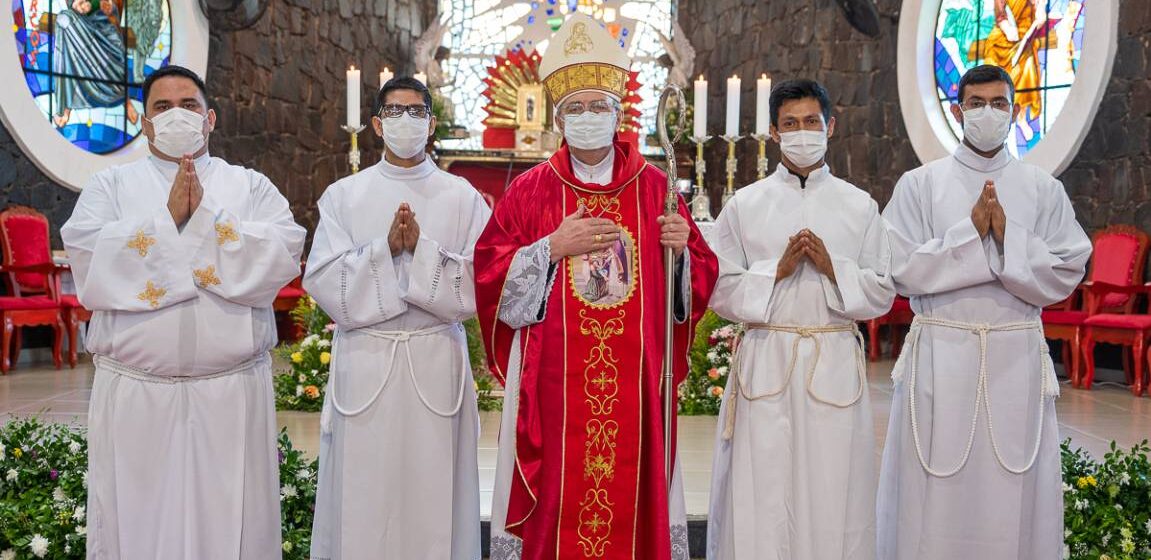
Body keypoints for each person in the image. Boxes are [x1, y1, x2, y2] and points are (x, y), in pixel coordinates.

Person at [475, 14, 718, 560]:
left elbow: (699, 276)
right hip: (553, 384)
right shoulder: (531, 192)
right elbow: (490, 272)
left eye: (598, 106)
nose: (588, 117)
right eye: (576, 108)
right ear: (559, 118)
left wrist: (681, 251)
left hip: (635, 382)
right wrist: (550, 249)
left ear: (618, 112)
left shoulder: (657, 188)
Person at [61, 65, 305, 559]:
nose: (177, 116)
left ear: (210, 118)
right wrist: (167, 221)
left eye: (189, 105)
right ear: (145, 124)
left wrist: (204, 224)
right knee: (137, 527)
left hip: (230, 395)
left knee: (232, 528)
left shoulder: (249, 187)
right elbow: (88, 260)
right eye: (162, 107)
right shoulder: (110, 187)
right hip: (137, 394)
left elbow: (282, 252)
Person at [876, 64, 1091, 560]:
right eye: (977, 103)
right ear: (958, 109)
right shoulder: (919, 185)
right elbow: (899, 267)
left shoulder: (1042, 189)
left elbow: (1068, 267)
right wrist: (969, 235)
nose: (988, 113)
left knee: (1011, 479)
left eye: (999, 103)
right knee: (934, 478)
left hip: (1014, 356)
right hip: (941, 354)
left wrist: (1006, 237)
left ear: (1014, 111)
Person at [706, 79, 894, 560]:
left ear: (830, 127)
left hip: (832, 360)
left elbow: (882, 292)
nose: (802, 131)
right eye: (791, 124)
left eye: (812, 122)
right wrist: (776, 272)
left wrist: (836, 268)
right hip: (767, 360)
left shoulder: (859, 205)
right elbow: (718, 288)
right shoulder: (745, 205)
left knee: (833, 486)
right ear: (774, 132)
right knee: (762, 488)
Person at [305, 76, 489, 560]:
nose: (405, 120)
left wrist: (421, 253)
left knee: (436, 490)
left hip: (435, 359)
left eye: (415, 112)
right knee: (363, 492)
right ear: (376, 125)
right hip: (366, 361)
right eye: (394, 112)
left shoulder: (462, 196)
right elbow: (323, 282)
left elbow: (482, 284)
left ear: (430, 124)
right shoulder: (344, 195)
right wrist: (384, 250)